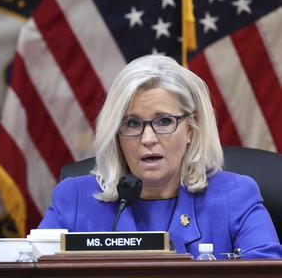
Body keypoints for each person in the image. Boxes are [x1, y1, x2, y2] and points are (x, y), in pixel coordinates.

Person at [39, 55, 282, 259]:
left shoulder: (234, 197)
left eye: (164, 121)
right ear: (116, 134)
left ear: (190, 128)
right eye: (132, 123)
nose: (147, 139)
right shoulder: (74, 199)